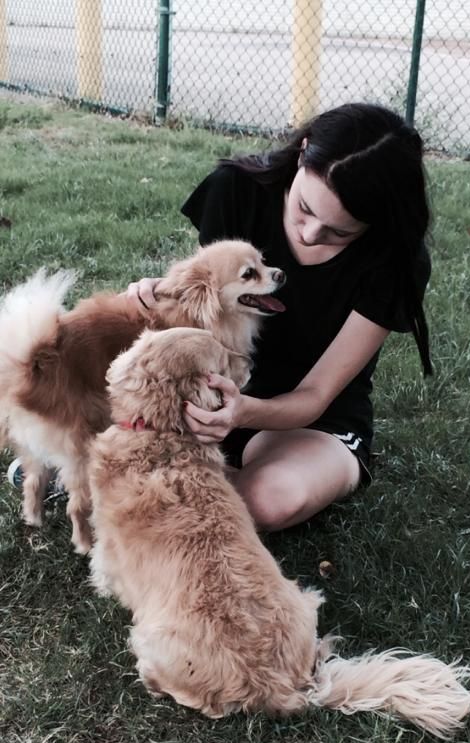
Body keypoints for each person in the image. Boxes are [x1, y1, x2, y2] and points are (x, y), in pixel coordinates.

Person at [128, 102, 432, 532]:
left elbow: (316, 394)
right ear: (303, 151)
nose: (310, 234)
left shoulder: (395, 261)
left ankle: (162, 494)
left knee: (267, 501)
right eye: (305, 208)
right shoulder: (235, 189)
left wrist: (241, 413)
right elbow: (207, 310)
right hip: (214, 389)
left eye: (339, 232)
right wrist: (156, 298)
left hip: (311, 421)